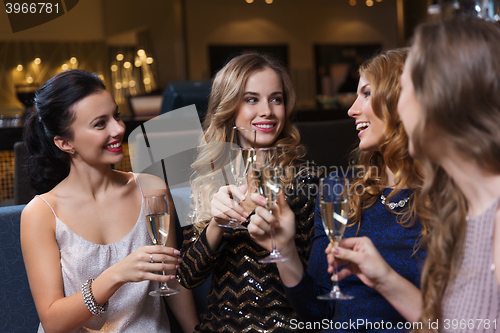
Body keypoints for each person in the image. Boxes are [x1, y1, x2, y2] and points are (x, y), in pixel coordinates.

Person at [327, 16, 500, 332]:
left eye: (404, 87)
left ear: (446, 97)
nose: (399, 107)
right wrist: (384, 279)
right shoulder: (470, 211)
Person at [248, 49, 431, 332]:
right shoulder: (339, 188)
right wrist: (284, 249)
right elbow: (317, 314)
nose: (351, 109)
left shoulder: (452, 199)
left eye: (367, 93)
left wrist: (385, 279)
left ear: (402, 100)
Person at [20, 69, 198, 333]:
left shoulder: (151, 189)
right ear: (65, 142)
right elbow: (53, 322)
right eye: (100, 124)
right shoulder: (42, 213)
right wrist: (117, 275)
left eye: (116, 116)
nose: (119, 129)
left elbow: (172, 281)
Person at [177, 53, 321, 332]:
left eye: (276, 99)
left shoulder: (307, 180)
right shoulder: (205, 180)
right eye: (252, 99)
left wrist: (282, 240)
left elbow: (315, 286)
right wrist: (216, 225)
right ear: (229, 107)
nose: (267, 110)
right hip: (220, 326)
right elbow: (187, 277)